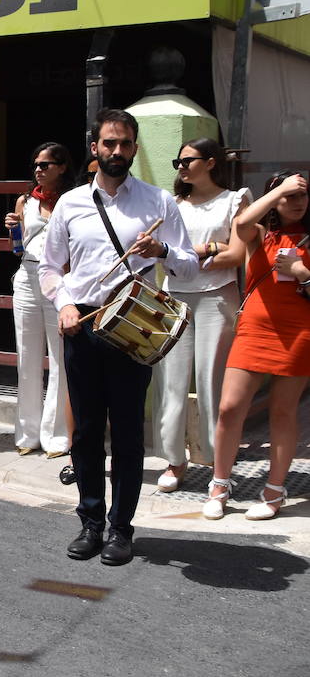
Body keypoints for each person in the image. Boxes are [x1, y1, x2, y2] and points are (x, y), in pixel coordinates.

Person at [40, 108, 196, 566]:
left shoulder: (157, 201)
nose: (117, 152)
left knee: (127, 433)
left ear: (134, 148)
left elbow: (188, 265)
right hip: (83, 325)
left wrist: (162, 249)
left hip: (133, 326)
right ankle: (90, 521)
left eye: (126, 144)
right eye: (109, 143)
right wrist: (64, 304)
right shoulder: (69, 203)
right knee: (87, 430)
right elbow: (49, 268)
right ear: (94, 148)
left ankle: (121, 530)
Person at [202, 170, 310, 521]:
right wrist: (278, 190)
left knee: (283, 411)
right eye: (289, 196)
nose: (296, 202)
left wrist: (301, 271)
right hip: (254, 330)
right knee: (230, 408)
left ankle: (274, 491)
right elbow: (242, 222)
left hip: (298, 332)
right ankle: (219, 485)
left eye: (302, 195)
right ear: (274, 199)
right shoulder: (260, 234)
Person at [152, 139, 246, 492]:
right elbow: (162, 255)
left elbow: (237, 255)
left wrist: (194, 253)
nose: (180, 166)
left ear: (210, 162)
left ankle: (218, 466)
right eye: (177, 160)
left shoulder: (233, 200)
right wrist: (208, 252)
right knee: (171, 383)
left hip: (217, 298)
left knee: (212, 383)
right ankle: (175, 461)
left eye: (187, 160)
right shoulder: (173, 204)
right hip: (174, 298)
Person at [4, 142, 75, 459]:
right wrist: (13, 230)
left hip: (60, 278)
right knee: (27, 358)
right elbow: (18, 248)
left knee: (61, 360)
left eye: (45, 164)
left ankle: (57, 435)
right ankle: (28, 433)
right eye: (35, 164)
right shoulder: (25, 201)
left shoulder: (73, 201)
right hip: (28, 276)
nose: (38, 169)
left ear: (61, 167)